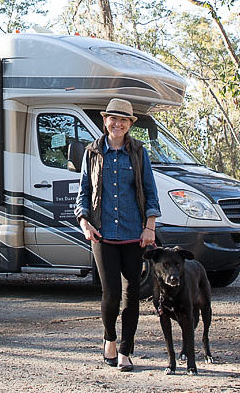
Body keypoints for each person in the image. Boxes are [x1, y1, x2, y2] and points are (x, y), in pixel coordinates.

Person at [74, 98, 160, 372]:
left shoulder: (138, 152)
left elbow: (150, 192)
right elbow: (83, 192)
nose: (118, 124)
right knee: (110, 294)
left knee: (131, 294)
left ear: (130, 125)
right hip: (102, 233)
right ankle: (109, 338)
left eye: (124, 120)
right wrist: (84, 222)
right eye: (114, 119)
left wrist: (150, 227)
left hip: (134, 234)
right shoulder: (92, 152)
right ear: (105, 121)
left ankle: (126, 349)